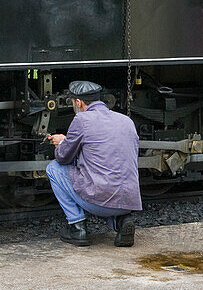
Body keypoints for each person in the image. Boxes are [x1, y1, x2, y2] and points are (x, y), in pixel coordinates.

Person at [45, 80, 141, 247]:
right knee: (106, 175)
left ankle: (78, 228)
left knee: (54, 168)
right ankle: (121, 221)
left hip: (100, 202)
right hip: (129, 202)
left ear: (79, 102)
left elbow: (63, 157)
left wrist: (62, 143)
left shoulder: (82, 119)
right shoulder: (126, 121)